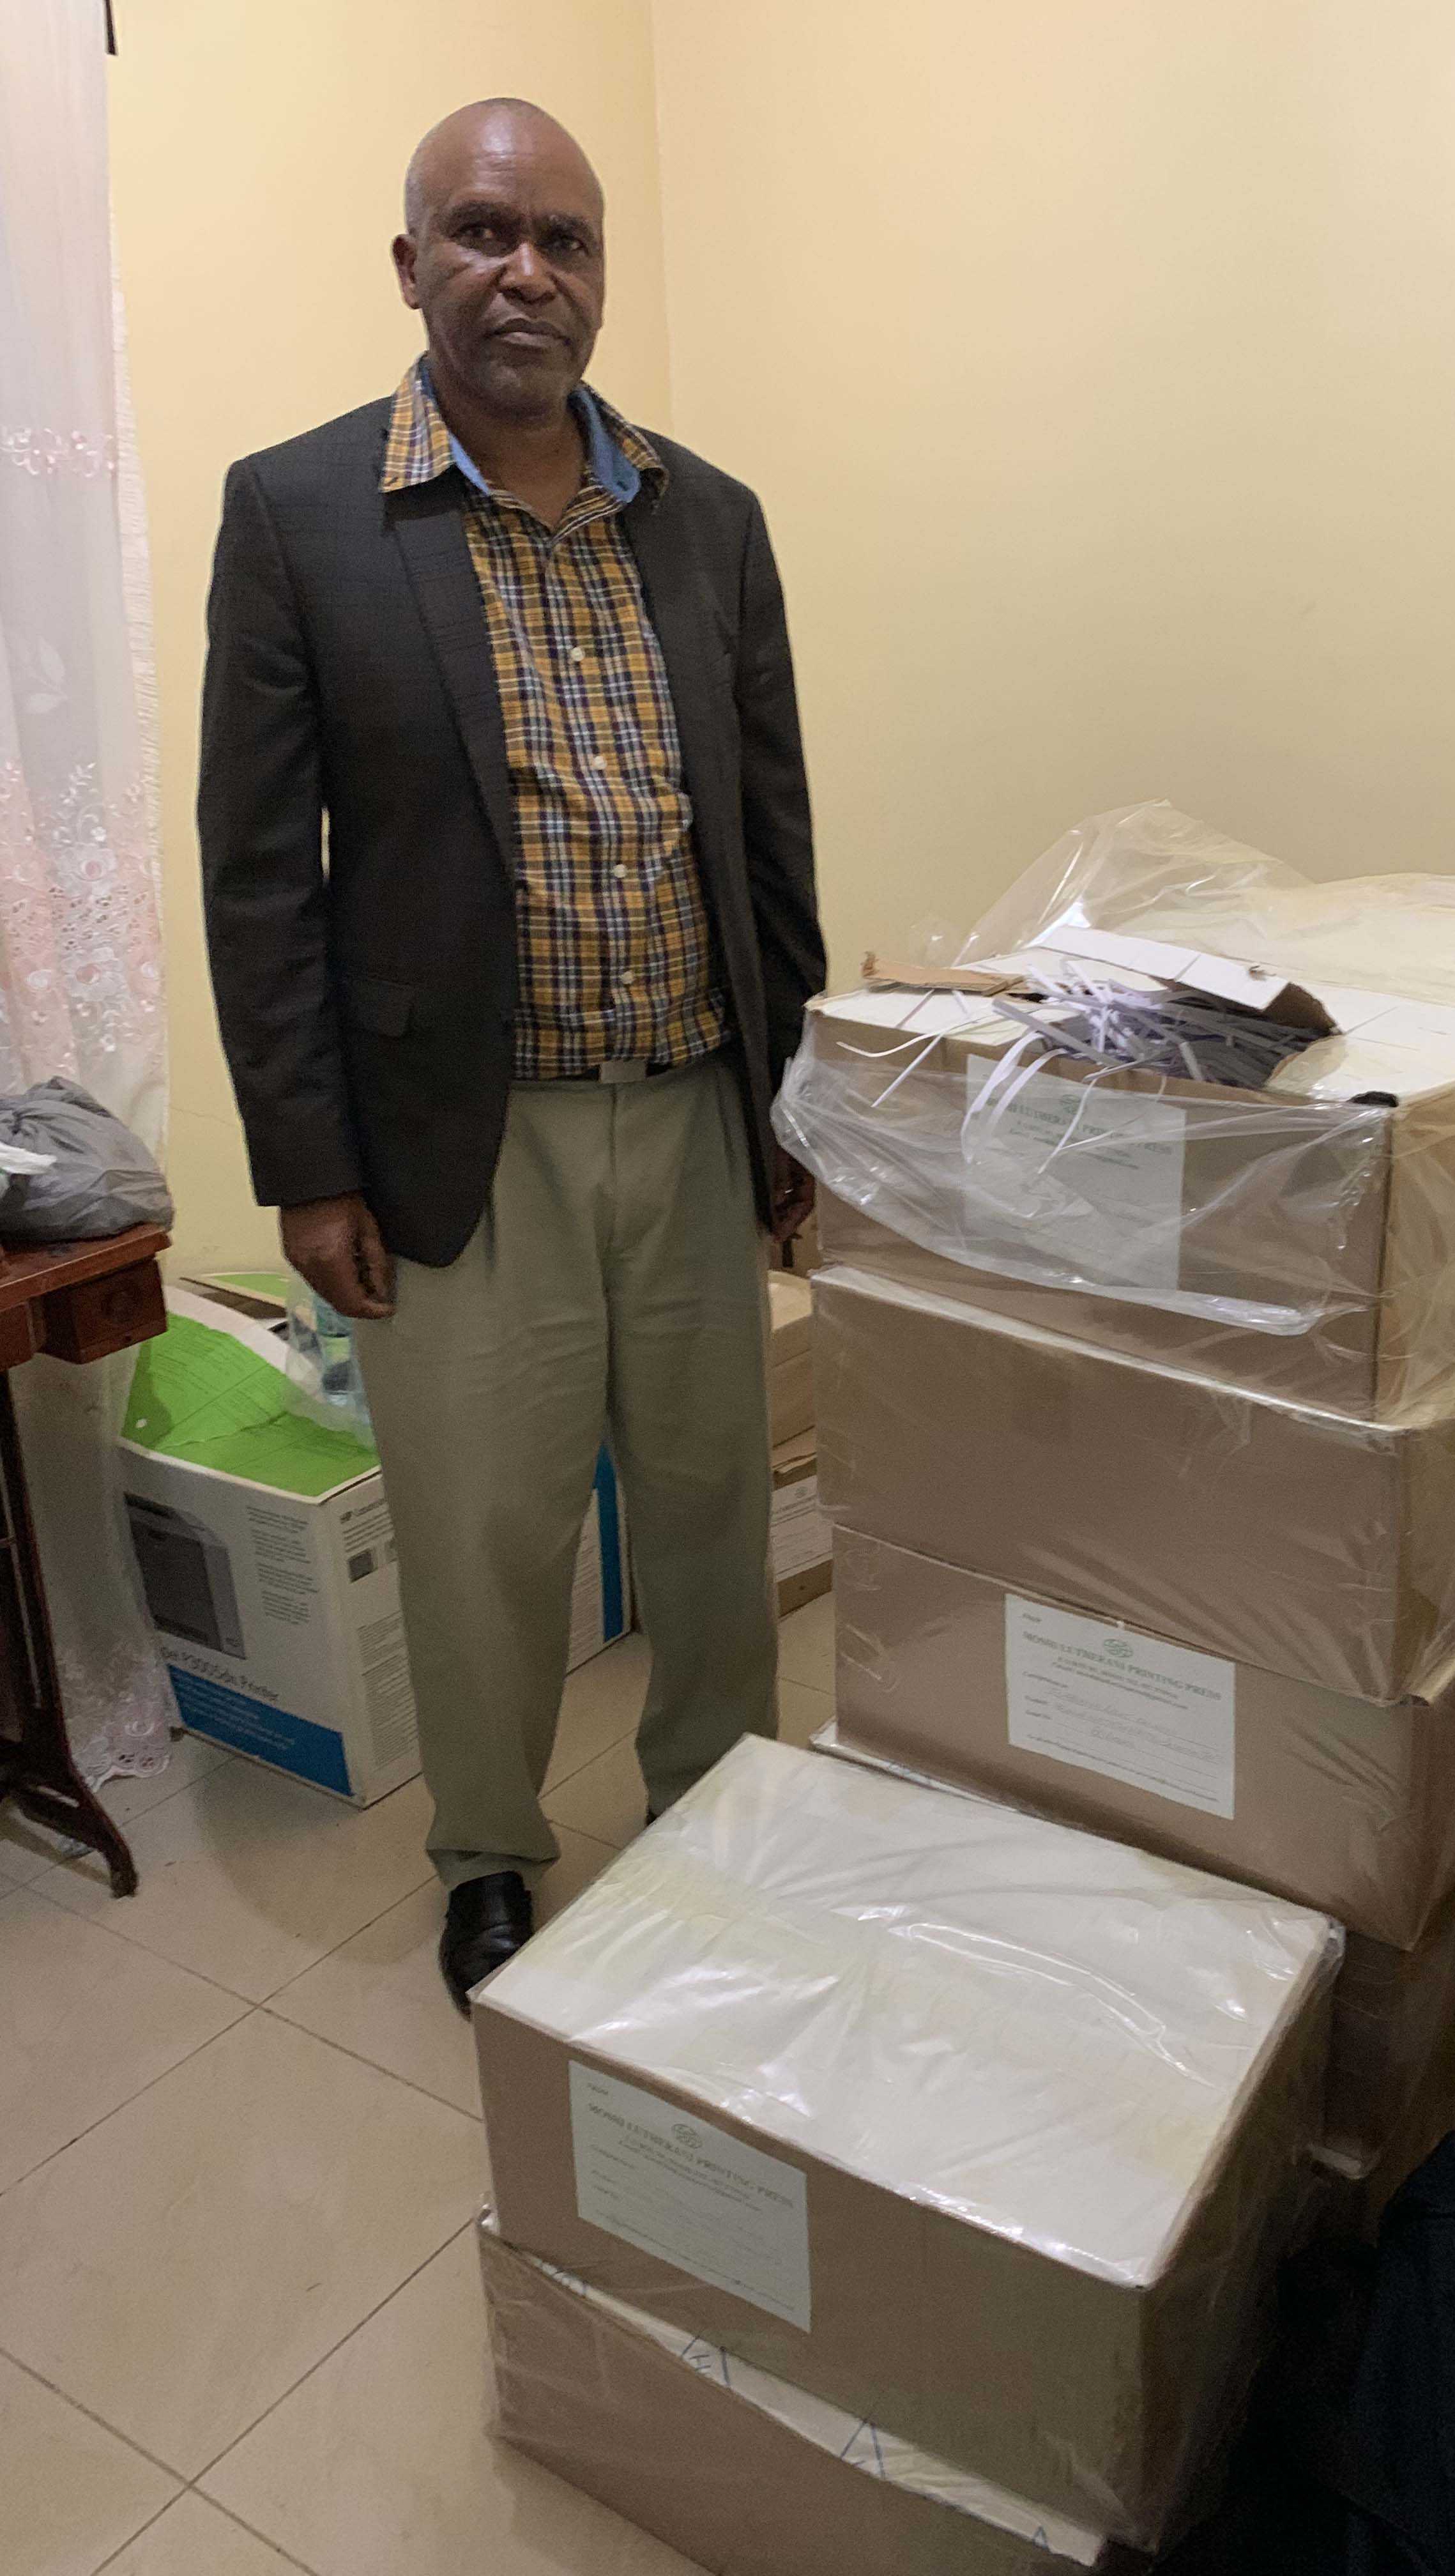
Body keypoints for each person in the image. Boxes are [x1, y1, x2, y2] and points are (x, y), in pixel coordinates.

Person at [199, 98, 823, 2010]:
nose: (526, 270)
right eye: (483, 231)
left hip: (699, 1103)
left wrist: (802, 1112)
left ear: (603, 273)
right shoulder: (304, 513)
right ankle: (488, 1849)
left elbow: (773, 831)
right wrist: (307, 1164)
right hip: (461, 1140)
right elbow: (258, 874)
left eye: (564, 236)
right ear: (413, 266)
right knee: (484, 1533)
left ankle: (719, 1805)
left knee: (718, 1502)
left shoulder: (707, 517)